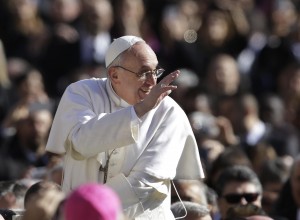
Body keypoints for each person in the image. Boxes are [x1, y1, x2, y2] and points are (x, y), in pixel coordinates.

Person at [46, 35, 204, 219]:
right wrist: (138, 111)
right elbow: (80, 143)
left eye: (155, 71)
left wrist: (93, 208)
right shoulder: (82, 93)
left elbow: (147, 182)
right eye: (144, 72)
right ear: (114, 75)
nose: (152, 82)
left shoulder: (169, 112)